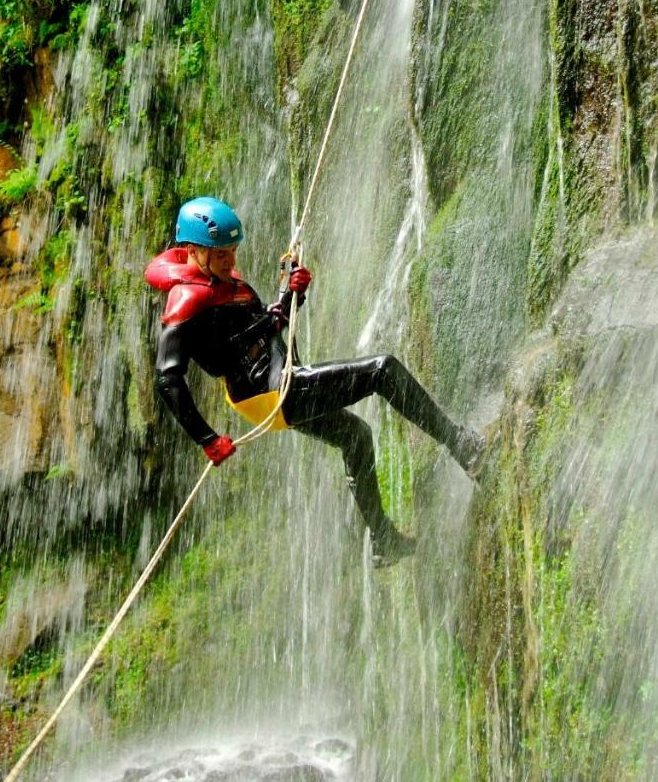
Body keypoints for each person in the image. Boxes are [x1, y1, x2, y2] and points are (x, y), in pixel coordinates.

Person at [146, 196, 485, 563]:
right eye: (221, 255)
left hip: (278, 383)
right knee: (382, 370)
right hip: (272, 392)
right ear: (194, 251)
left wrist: (291, 293)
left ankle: (382, 540)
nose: (231, 262)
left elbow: (270, 326)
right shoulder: (185, 300)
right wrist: (207, 438)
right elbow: (168, 379)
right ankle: (461, 445)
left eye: (233, 251)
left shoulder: (227, 283)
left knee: (355, 437)